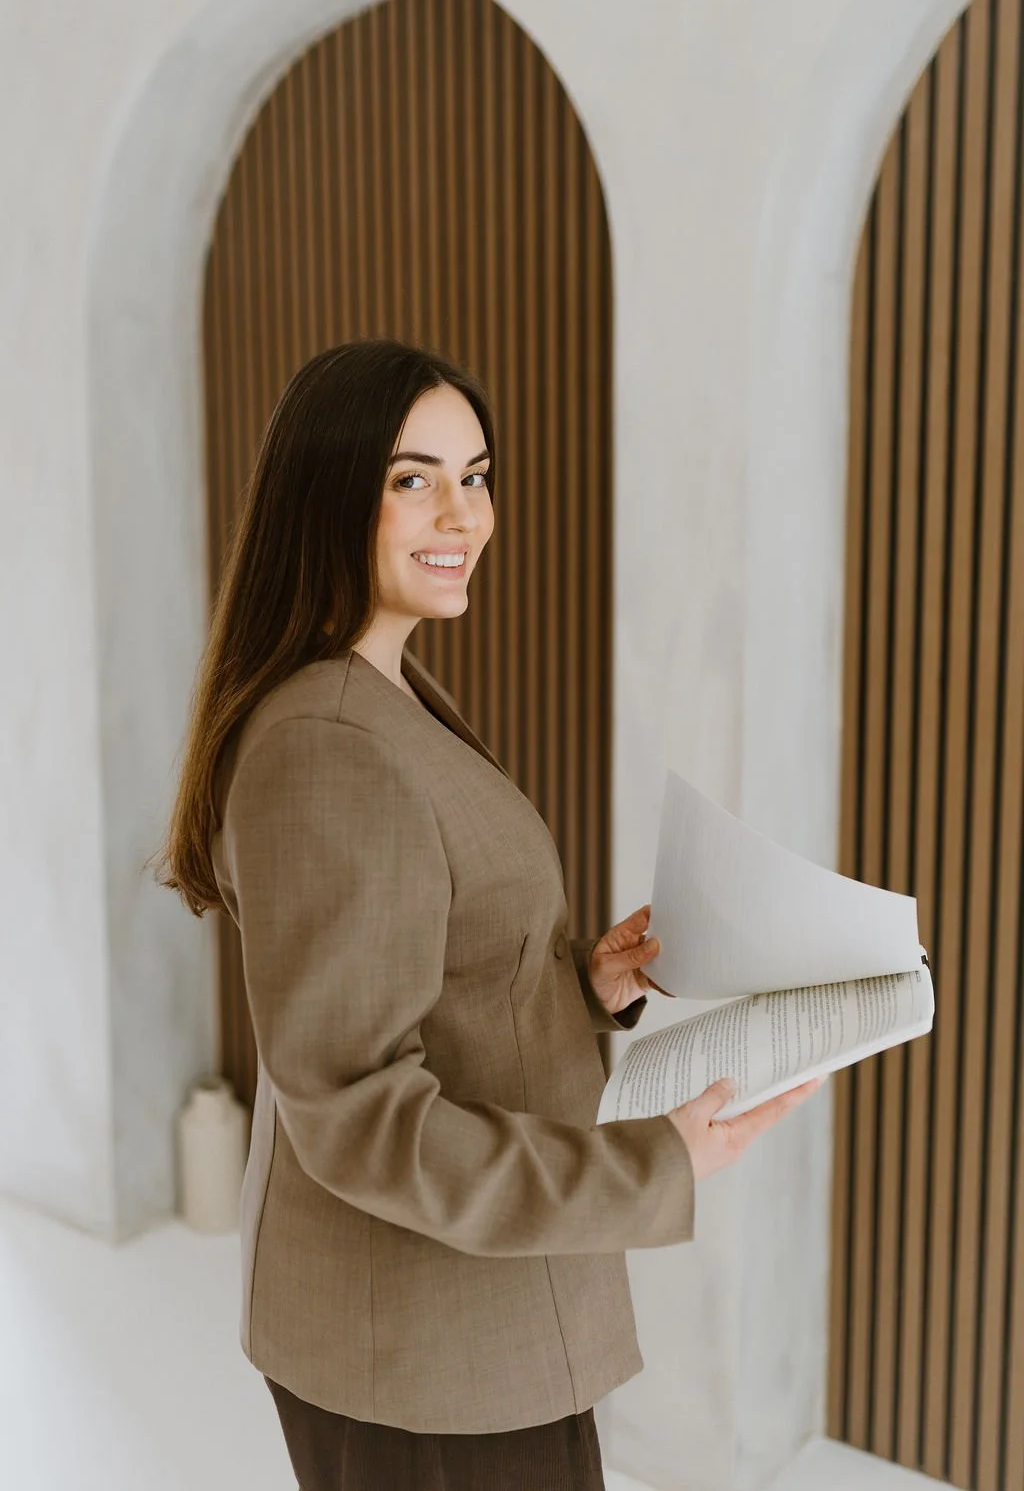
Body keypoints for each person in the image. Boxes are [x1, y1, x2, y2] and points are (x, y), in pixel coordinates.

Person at [156, 338, 820, 1491]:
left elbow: (426, 969)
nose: (460, 512)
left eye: (476, 474)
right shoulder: (329, 744)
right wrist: (652, 1163)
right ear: (329, 494)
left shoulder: (386, 688)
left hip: (470, 1322)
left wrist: (577, 984)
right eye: (412, 478)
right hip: (418, 1355)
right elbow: (358, 1107)